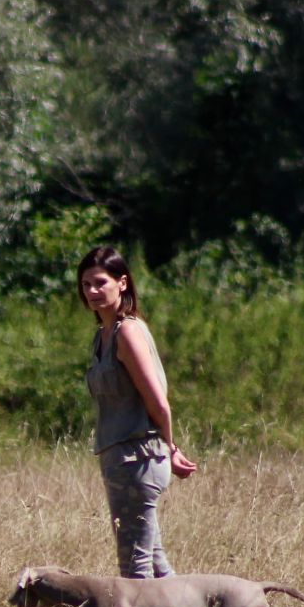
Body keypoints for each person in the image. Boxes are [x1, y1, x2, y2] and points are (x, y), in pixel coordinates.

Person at [78, 245, 196, 579]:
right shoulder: (102, 335)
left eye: (100, 282)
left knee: (135, 568)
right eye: (86, 285)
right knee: (155, 564)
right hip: (120, 460)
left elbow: (158, 402)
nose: (92, 291)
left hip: (137, 460)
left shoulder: (127, 332)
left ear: (123, 283)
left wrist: (169, 448)